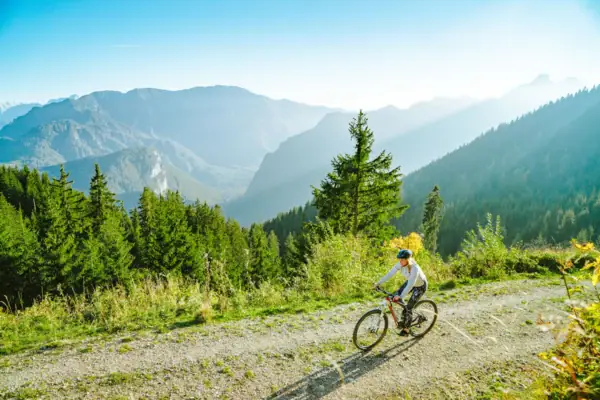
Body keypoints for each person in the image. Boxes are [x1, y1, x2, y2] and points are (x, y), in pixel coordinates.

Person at [373, 249, 428, 336]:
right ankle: (405, 313)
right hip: (410, 282)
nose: (400, 261)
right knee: (396, 296)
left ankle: (406, 330)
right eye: (400, 259)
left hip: (420, 286)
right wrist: (378, 283)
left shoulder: (415, 268)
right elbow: (389, 274)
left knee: (409, 307)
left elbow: (410, 284)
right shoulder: (400, 264)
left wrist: (401, 296)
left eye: (402, 259)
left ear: (408, 259)